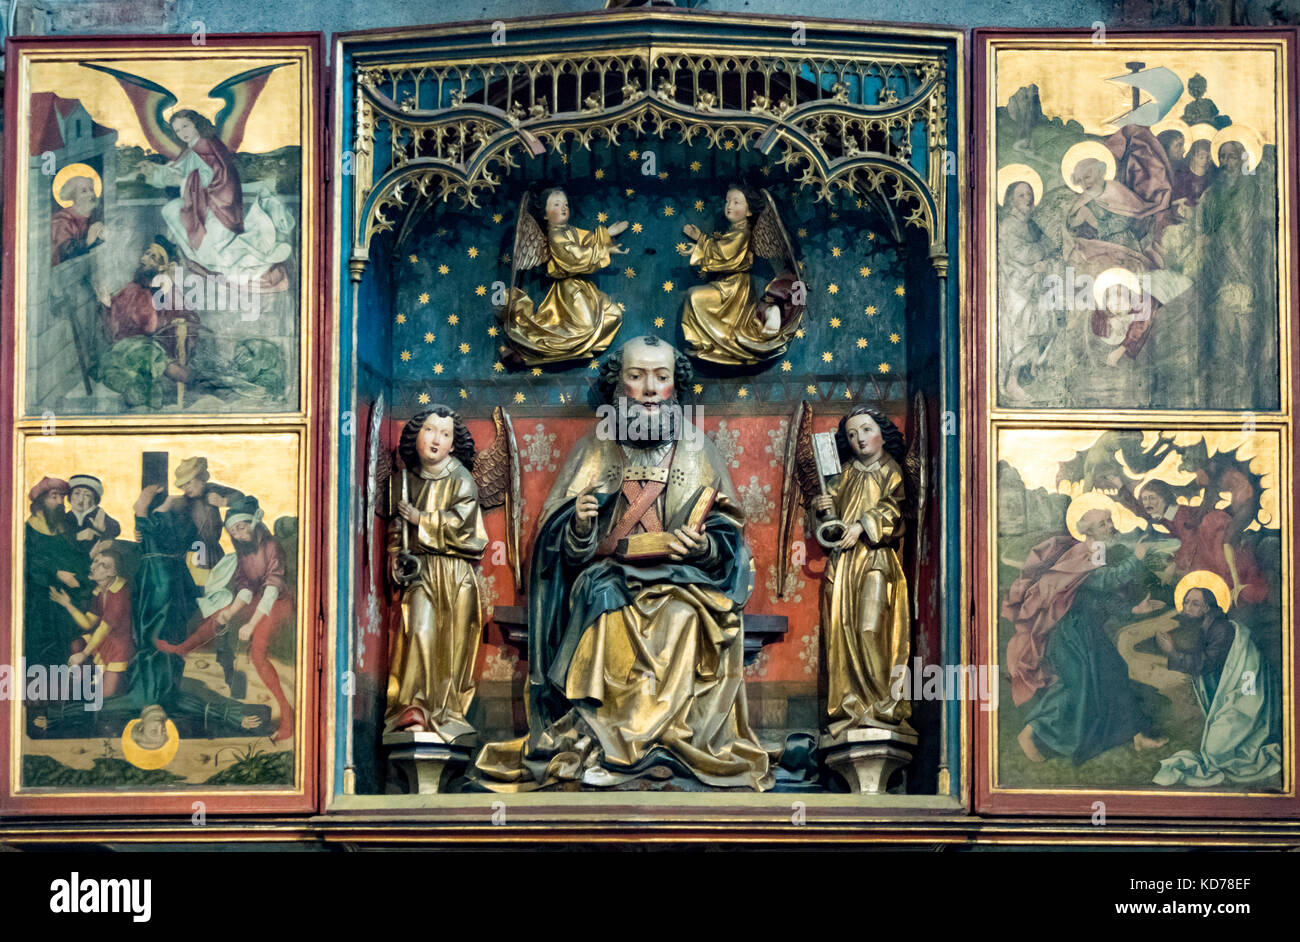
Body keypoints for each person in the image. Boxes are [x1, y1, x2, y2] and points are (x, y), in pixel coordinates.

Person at [475, 335, 771, 790]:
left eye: (661, 377)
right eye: (637, 377)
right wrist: (578, 526)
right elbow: (559, 552)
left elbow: (728, 536)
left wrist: (703, 547)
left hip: (682, 581)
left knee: (684, 617)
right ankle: (605, 743)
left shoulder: (699, 448)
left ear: (676, 386)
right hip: (608, 577)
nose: (650, 389)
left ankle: (666, 742)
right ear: (619, 388)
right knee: (602, 601)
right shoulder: (594, 448)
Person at [1003, 497, 1168, 764]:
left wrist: (1133, 610)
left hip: (1086, 629)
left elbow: (1097, 595)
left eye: (1109, 521)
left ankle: (1136, 735)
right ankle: (1030, 733)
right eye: (1102, 524)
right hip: (1068, 634)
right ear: (1087, 531)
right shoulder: (1081, 555)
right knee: (1075, 685)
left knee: (1114, 672)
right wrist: (1136, 559)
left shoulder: (1098, 550)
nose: (1110, 526)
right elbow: (1107, 580)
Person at [384, 406, 488, 740]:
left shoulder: (461, 478)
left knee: (452, 644)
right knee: (420, 631)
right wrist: (393, 555)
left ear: (453, 444)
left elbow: (465, 525)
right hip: (422, 571)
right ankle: (413, 707)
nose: (436, 440)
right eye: (429, 430)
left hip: (455, 573)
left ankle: (447, 712)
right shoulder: (402, 480)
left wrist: (421, 520)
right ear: (416, 435)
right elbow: (395, 529)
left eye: (445, 434)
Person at [154, 496, 296, 741]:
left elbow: (272, 588)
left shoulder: (271, 546)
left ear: (254, 521)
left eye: (241, 527)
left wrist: (251, 625)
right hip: (256, 599)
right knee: (220, 615)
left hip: (278, 603)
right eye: (233, 531)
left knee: (257, 654)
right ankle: (182, 649)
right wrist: (230, 612)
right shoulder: (244, 550)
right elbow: (245, 586)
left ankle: (287, 718)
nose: (239, 534)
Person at [810, 407, 912, 739]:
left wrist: (862, 526)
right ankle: (850, 707)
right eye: (852, 435)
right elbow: (829, 530)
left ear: (882, 432)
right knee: (842, 632)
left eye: (866, 430)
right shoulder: (841, 474)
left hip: (876, 561)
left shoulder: (891, 471)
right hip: (842, 567)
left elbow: (893, 509)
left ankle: (884, 707)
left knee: (870, 629)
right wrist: (823, 511)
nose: (859, 439)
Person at [136, 109, 291, 283]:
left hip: (219, 204)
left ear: (197, 124)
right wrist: (153, 171)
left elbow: (213, 177)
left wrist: (183, 180)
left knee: (212, 252)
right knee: (170, 210)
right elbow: (178, 170)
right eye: (178, 130)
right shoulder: (193, 148)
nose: (182, 133)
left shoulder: (206, 146)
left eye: (185, 126)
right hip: (204, 201)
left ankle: (231, 263)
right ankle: (204, 258)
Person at [1153, 577, 1281, 786]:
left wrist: (1172, 652)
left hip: (1247, 692)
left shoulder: (1221, 629)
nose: (1187, 608)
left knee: (1215, 752)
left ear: (1207, 608)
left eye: (1194, 603)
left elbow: (1206, 664)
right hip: (1229, 692)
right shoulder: (1201, 626)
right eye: (1185, 602)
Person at [501, 187, 627, 364]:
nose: (563, 208)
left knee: (613, 314)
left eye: (566, 204)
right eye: (556, 204)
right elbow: (574, 256)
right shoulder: (555, 235)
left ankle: (575, 351)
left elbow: (587, 239)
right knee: (586, 328)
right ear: (545, 214)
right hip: (568, 290)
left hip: (583, 288)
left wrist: (607, 234)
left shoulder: (569, 230)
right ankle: (532, 351)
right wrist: (605, 251)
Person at [678, 184, 793, 365]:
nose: (729, 206)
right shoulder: (735, 231)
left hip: (734, 289)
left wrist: (699, 248)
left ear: (748, 211)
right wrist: (701, 239)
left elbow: (726, 255)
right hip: (726, 285)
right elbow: (723, 246)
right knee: (694, 296)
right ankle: (705, 345)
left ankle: (711, 344)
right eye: (727, 201)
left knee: (694, 296)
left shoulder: (744, 232)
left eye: (736, 202)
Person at [50, 547, 135, 698]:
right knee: (76, 644)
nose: (94, 566)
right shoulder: (99, 590)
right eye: (96, 561)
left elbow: (104, 628)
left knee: (106, 694)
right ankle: (80, 682)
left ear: (113, 573)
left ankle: (92, 682)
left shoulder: (120, 593)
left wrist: (83, 654)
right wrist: (67, 604)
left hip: (118, 646)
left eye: (102, 565)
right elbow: (88, 623)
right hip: (103, 640)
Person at [24, 477, 88, 671]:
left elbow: (74, 556)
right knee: (41, 644)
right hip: (39, 598)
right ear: (41, 500)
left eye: (62, 497)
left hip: (66, 597)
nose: (60, 502)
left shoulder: (63, 527)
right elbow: (27, 562)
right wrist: (56, 573)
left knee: (64, 641)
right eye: (54, 497)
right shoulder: (28, 530)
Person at [50, 175, 105, 265]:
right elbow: (66, 253)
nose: (91, 194)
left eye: (92, 190)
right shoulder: (62, 220)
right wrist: (88, 240)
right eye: (84, 191)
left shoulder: (93, 217)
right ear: (73, 196)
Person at [65, 474, 121, 560]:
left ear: (94, 500)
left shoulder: (98, 514)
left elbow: (116, 529)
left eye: (87, 495)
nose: (81, 499)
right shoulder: (65, 517)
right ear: (70, 496)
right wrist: (77, 536)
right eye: (77, 493)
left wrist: (102, 529)